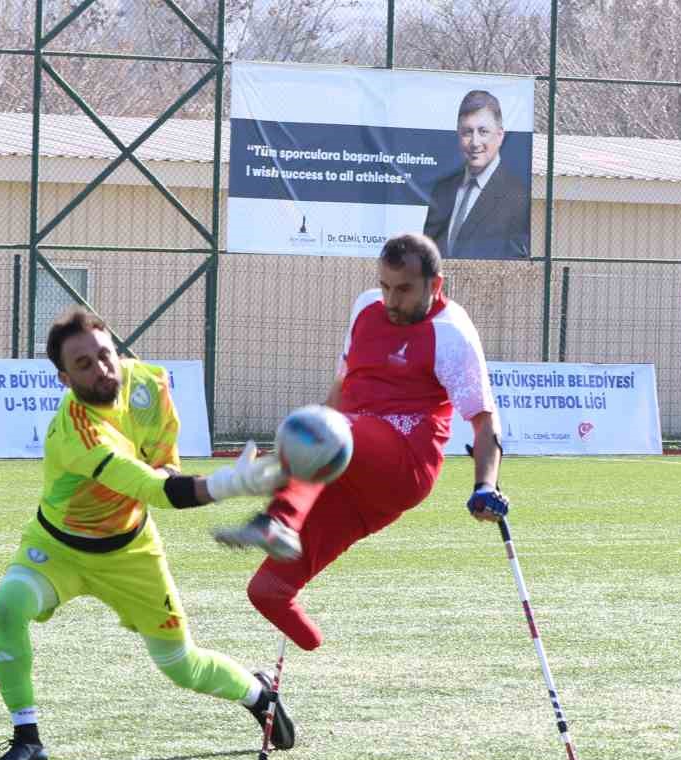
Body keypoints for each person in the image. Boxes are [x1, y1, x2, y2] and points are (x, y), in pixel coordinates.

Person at [0, 308, 293, 760]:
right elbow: (150, 488)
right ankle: (28, 741)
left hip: (131, 551)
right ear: (65, 379)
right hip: (59, 547)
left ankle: (259, 694)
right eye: (83, 365)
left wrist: (207, 483)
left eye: (105, 355)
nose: (101, 368)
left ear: (118, 351)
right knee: (8, 605)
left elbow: (163, 470)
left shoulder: (149, 384)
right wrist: (226, 486)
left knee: (180, 665)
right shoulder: (78, 432)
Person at [214, 232, 508, 653]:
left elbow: (483, 419)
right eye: (386, 286)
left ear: (435, 285)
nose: (391, 300)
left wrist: (485, 485)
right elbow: (343, 384)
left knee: (329, 431)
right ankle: (292, 669)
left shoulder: (451, 333)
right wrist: (306, 440)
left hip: (404, 462)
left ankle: (273, 516)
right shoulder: (365, 307)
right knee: (266, 590)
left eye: (404, 289)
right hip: (347, 469)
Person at [421, 90, 531, 260]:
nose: (475, 142)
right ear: (458, 135)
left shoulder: (518, 199)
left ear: (500, 136)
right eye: (467, 132)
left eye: (483, 132)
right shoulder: (442, 189)